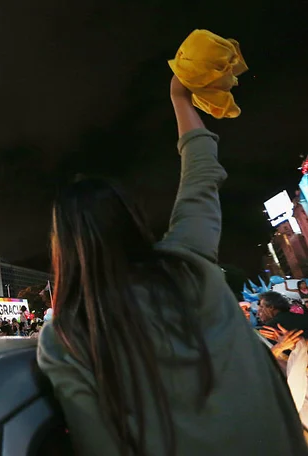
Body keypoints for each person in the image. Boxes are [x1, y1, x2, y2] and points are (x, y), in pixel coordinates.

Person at [36, 75, 308, 455]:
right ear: (131, 218)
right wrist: (180, 97)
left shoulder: (66, 337)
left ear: (61, 249)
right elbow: (202, 172)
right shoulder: (187, 261)